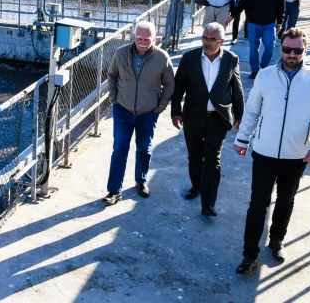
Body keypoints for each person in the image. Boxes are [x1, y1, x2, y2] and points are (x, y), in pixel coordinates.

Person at [232, 28, 310, 275]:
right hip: (264, 152)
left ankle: (277, 240)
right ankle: (249, 254)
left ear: (305, 51)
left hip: (296, 155)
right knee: (258, 203)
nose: (292, 54)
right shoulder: (266, 77)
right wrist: (242, 139)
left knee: (286, 200)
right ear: (280, 48)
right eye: (287, 49)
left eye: (297, 50)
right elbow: (252, 111)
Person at [171, 22, 244, 217]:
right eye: (205, 38)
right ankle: (196, 186)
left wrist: (240, 115)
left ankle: (208, 203)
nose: (207, 42)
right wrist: (175, 111)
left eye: (212, 39)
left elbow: (237, 89)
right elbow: (179, 88)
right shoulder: (189, 58)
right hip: (193, 116)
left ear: (221, 41)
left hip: (218, 119)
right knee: (195, 156)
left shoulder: (231, 60)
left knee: (212, 159)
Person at [103, 21, 175, 205]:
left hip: (148, 112)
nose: (143, 43)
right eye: (139, 38)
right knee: (119, 148)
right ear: (133, 37)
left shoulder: (162, 58)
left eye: (147, 39)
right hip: (123, 110)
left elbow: (169, 84)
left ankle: (141, 181)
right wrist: (114, 99)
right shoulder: (121, 53)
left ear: (155, 39)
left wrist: (159, 108)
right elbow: (112, 76)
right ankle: (114, 190)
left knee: (144, 149)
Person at [229, 0, 284, 80]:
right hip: (253, 24)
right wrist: (232, 16)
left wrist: (280, 22)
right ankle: (254, 70)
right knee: (254, 49)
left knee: (269, 46)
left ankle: (263, 66)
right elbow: (242, 3)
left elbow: (281, 7)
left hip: (269, 24)